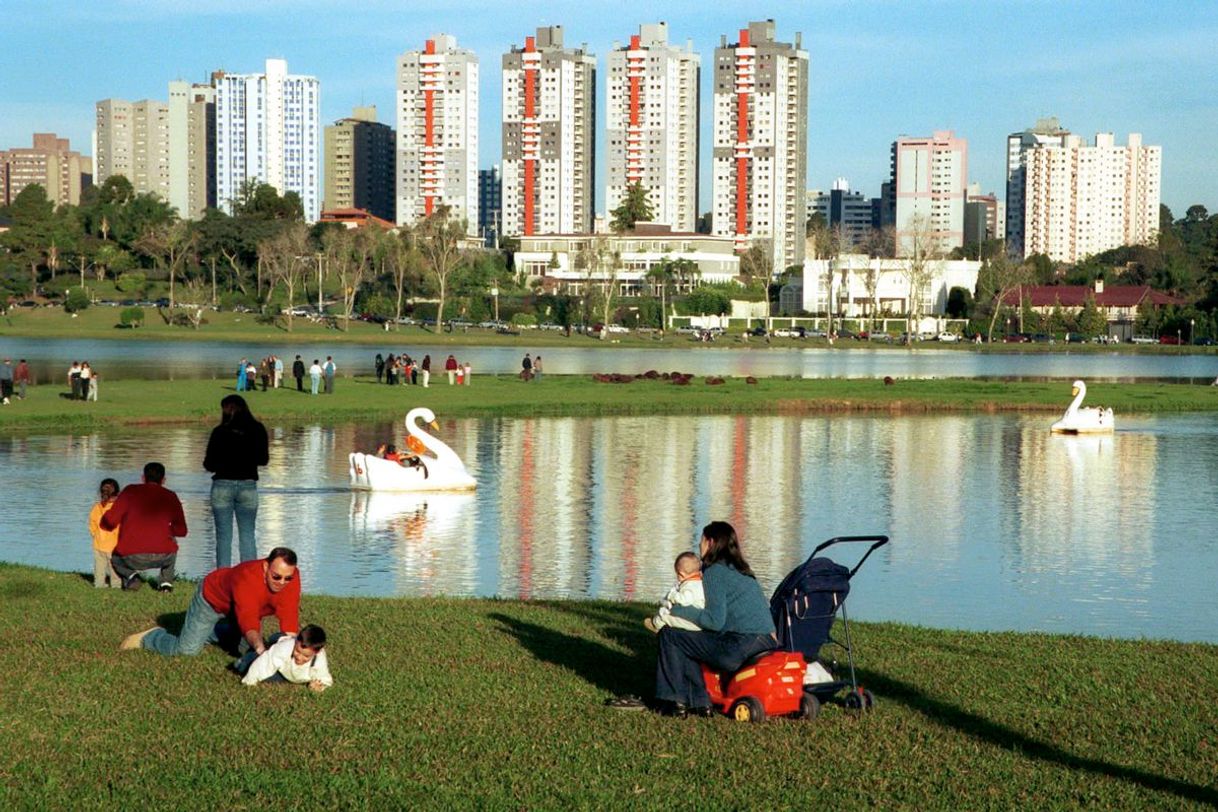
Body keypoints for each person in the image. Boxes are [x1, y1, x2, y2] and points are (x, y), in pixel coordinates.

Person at [610, 521, 776, 718]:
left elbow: (714, 621)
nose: (699, 546)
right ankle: (699, 703)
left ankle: (672, 701)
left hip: (739, 647)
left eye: (701, 541)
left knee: (670, 635)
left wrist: (680, 611)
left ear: (711, 542)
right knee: (688, 639)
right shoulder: (741, 570)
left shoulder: (715, 572)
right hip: (766, 642)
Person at [121, 547, 301, 658]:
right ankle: (150, 638)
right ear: (265, 567)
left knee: (244, 650)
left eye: (287, 578)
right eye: (276, 577)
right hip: (212, 601)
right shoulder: (247, 578)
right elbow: (248, 618)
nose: (282, 582)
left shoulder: (292, 579)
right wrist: (260, 648)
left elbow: (289, 616)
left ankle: (208, 633)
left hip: (236, 610)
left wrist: (293, 651)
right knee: (186, 651)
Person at [101, 462, 188, 593]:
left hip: (131, 557)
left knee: (116, 558)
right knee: (173, 543)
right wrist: (166, 531)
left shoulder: (130, 491)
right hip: (163, 555)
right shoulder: (171, 496)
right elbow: (182, 531)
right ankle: (166, 584)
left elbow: (110, 521)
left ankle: (132, 577)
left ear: (143, 478)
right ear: (163, 480)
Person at [204, 395, 270, 567]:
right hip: (248, 485)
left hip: (222, 485)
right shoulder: (257, 429)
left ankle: (222, 577)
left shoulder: (219, 432)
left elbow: (209, 464)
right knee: (247, 534)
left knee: (223, 536)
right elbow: (263, 459)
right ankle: (248, 575)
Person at [236, 625, 333, 692]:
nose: (299, 657)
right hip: (278, 644)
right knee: (246, 667)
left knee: (274, 679)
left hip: (286, 674)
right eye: (297, 651)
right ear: (296, 642)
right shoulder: (285, 648)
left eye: (306, 656)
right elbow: (264, 663)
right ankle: (246, 659)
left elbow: (325, 679)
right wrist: (249, 682)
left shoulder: (319, 660)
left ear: (316, 652)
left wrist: (318, 686)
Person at [644, 552, 705, 633]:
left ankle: (656, 625)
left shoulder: (689, 586)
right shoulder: (700, 583)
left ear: (681, 574)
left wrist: (672, 595)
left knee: (665, 616)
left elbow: (684, 600)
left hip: (692, 622)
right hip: (698, 619)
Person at [88, 478, 122, 588]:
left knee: (99, 569)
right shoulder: (119, 508)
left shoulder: (96, 507)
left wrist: (95, 535)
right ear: (117, 492)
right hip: (115, 545)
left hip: (99, 543)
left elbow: (92, 525)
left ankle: (99, 584)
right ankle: (116, 586)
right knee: (115, 570)